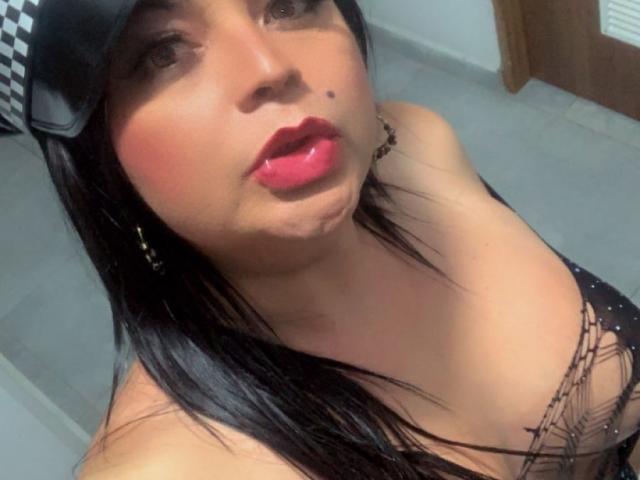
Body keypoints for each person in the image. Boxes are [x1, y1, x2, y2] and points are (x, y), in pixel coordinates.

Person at [2, 1, 639, 478]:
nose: (269, 67)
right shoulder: (160, 468)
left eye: (287, 3)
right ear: (95, 159)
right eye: (161, 51)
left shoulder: (417, 146)